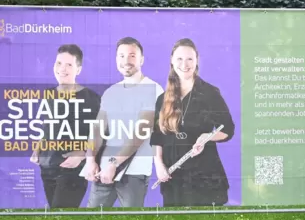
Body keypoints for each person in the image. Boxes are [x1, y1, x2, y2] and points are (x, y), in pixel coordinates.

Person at [150, 38, 235, 207]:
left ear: (197, 61)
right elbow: (157, 136)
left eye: (190, 59)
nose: (185, 64)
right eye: (179, 59)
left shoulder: (209, 93)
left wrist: (207, 136)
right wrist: (159, 165)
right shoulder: (162, 98)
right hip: (173, 178)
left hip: (204, 177)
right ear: (172, 61)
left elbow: (228, 130)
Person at [81, 37, 164, 208]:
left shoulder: (153, 89)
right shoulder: (111, 92)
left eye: (132, 56)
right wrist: (90, 160)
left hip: (133, 173)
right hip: (104, 172)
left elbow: (142, 131)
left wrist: (114, 163)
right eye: (121, 56)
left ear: (141, 59)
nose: (126, 61)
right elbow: (97, 129)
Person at [30, 44, 101, 208]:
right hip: (48, 167)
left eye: (69, 64)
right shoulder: (49, 95)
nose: (62, 68)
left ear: (78, 69)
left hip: (72, 170)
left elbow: (101, 134)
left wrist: (83, 155)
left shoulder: (91, 98)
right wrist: (38, 148)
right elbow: (50, 127)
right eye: (59, 63)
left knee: (60, 218)